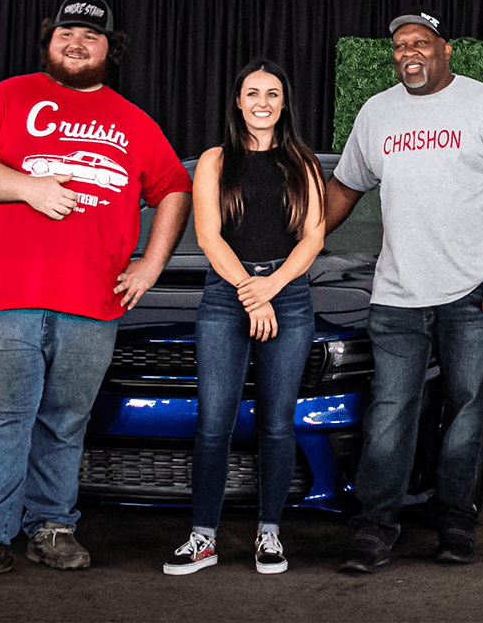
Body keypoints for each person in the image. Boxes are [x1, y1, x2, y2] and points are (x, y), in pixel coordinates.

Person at [0, 0, 191, 583]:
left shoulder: (132, 121)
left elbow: (174, 189)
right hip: (3, 298)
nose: (76, 43)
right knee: (2, 418)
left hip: (91, 304)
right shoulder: (8, 97)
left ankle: (52, 527)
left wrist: (150, 266)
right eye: (65, 33)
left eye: (90, 36)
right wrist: (29, 187)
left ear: (111, 49)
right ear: (49, 41)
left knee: (64, 421)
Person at [324, 7, 483, 573]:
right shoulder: (377, 113)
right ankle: (376, 527)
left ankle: (455, 521)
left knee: (468, 410)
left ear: (446, 50)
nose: (408, 54)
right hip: (397, 296)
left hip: (473, 293)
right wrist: (289, 251)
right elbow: (342, 192)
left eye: (420, 42)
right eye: (399, 46)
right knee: (391, 412)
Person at [161, 59, 326, 576]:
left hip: (289, 296)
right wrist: (250, 294)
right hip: (224, 295)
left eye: (272, 93)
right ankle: (203, 536)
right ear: (237, 101)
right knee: (214, 423)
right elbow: (208, 236)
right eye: (252, 93)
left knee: (277, 423)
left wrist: (270, 289)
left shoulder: (303, 161)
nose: (262, 102)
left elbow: (314, 237)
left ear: (284, 103)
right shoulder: (214, 160)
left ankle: (269, 534)